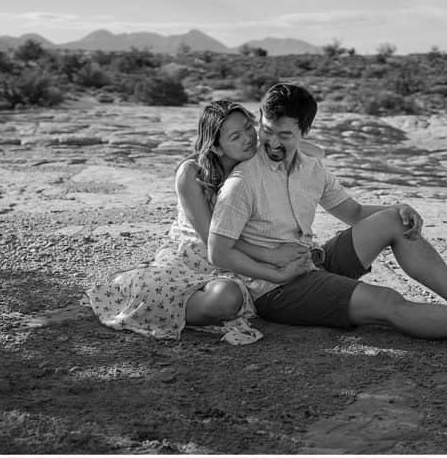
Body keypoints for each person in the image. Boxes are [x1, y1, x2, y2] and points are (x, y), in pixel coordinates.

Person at [208, 83, 447, 346]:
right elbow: (218, 252)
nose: (273, 142)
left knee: (394, 220)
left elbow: (354, 212)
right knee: (386, 302)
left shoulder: (310, 169)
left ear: (304, 133)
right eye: (267, 130)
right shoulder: (243, 181)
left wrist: (398, 208)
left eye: (286, 135)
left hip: (311, 262)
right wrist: (279, 274)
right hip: (277, 289)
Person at [30, 100, 317, 343]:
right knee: (225, 299)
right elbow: (212, 241)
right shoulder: (191, 173)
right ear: (215, 147)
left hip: (242, 258)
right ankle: (144, 293)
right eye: (235, 136)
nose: (248, 139)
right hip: (194, 258)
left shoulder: (257, 162)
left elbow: (303, 159)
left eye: (248, 129)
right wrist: (271, 256)